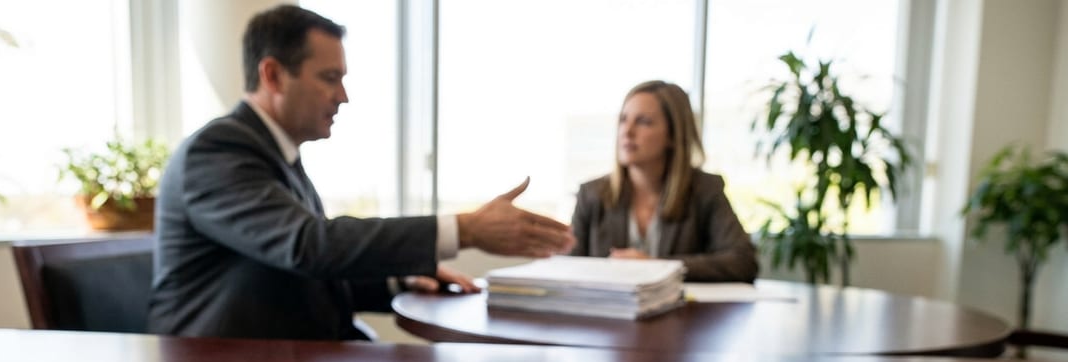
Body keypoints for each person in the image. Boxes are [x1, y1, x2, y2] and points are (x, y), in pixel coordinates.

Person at [148, 6, 573, 340]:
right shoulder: (218, 151)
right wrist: (465, 229)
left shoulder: (275, 153)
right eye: (330, 78)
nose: (343, 96)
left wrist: (399, 281)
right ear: (274, 74)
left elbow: (306, 273)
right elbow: (308, 246)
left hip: (284, 359)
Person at [569, 80, 758, 282]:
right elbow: (566, 268)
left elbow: (743, 262)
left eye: (643, 121)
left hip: (683, 313)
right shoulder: (591, 194)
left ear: (673, 135)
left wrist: (656, 265)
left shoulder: (705, 190)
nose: (627, 131)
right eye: (623, 119)